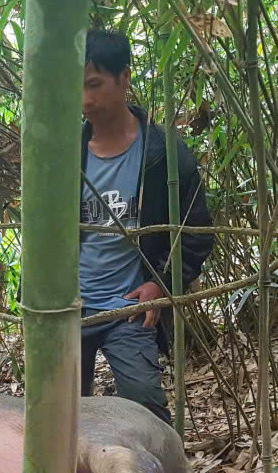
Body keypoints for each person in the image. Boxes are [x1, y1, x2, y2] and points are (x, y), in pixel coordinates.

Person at [78, 29, 214, 424]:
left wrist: (163, 283)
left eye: (94, 84)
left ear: (124, 78)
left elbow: (196, 232)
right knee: (59, 417)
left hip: (131, 308)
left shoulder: (164, 155)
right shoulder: (64, 153)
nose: (85, 100)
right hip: (66, 307)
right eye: (78, 87)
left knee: (146, 408)